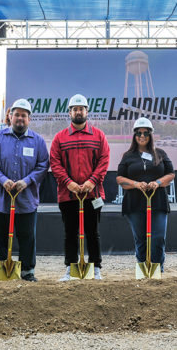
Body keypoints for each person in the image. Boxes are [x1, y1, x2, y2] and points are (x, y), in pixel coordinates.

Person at [0, 98, 49, 282]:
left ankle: (27, 271)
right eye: (17, 115)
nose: (20, 118)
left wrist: (27, 181)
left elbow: (43, 165)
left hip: (26, 198)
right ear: (10, 117)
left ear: (29, 119)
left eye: (24, 115)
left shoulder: (37, 141)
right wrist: (2, 180)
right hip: (1, 198)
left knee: (27, 236)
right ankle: (3, 266)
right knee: (0, 235)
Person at [50, 94, 110, 281]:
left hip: (93, 195)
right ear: (69, 113)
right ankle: (71, 269)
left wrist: (92, 180)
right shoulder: (60, 138)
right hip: (68, 196)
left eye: (81, 109)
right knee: (71, 233)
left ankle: (96, 268)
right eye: (74, 109)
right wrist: (69, 183)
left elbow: (104, 159)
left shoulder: (99, 135)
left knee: (93, 232)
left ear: (86, 112)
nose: (78, 112)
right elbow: (55, 163)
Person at [117, 118, 175, 272]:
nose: (142, 136)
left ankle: (157, 269)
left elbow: (171, 174)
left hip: (158, 202)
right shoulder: (128, 155)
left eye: (145, 133)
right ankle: (142, 268)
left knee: (157, 238)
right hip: (135, 203)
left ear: (151, 135)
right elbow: (119, 178)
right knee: (141, 239)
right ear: (134, 135)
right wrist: (136, 184)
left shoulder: (160, 153)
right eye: (138, 133)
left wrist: (158, 182)